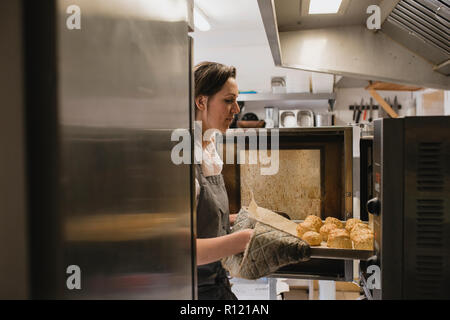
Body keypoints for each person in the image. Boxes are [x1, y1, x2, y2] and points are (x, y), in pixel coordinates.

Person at [193, 61, 254, 300]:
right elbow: (179, 251)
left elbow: (202, 219)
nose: (236, 109)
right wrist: (244, 239)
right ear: (201, 102)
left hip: (217, 284)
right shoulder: (184, 158)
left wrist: (236, 220)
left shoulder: (209, 150)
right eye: (229, 100)